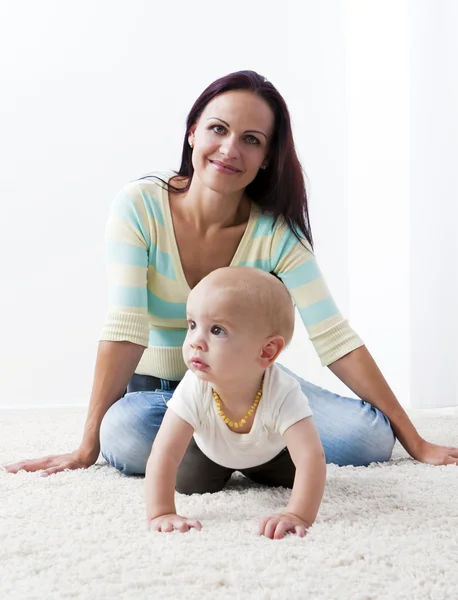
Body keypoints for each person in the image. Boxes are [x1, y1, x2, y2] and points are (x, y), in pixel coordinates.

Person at [4, 70, 458, 477]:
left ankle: (229, 453)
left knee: (368, 440)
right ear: (192, 133)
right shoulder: (139, 206)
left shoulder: (277, 234)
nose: (230, 149)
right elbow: (125, 327)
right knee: (123, 432)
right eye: (218, 129)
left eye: (252, 139)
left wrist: (414, 441)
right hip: (159, 397)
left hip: (250, 389)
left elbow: (335, 337)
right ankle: (263, 452)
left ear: (266, 158)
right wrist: (87, 447)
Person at [146, 266, 326, 540]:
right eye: (192, 325)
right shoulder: (195, 385)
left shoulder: (282, 391)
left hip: (273, 456)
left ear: (267, 351)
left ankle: (262, 474)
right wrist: (161, 512)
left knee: (304, 476)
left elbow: (310, 456)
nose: (196, 342)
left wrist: (298, 514)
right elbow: (165, 451)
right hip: (210, 453)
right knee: (187, 481)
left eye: (217, 330)